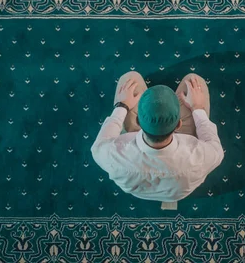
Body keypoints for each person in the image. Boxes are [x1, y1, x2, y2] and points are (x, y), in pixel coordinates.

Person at [90, 72, 224, 203]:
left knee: (130, 78)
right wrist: (197, 108)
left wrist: (122, 106)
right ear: (178, 125)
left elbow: (99, 145)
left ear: (137, 121)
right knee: (193, 80)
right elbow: (215, 147)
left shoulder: (113, 156)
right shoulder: (200, 158)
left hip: (138, 191)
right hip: (178, 191)